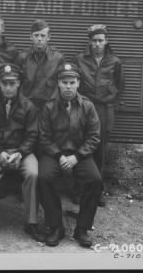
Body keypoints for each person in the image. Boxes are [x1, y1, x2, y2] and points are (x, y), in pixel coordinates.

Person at [0, 63, 44, 242]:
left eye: (12, 83)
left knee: (33, 173)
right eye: (4, 83)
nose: (8, 87)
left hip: (21, 152)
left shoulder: (29, 106)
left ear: (19, 83)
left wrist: (20, 153)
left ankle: (31, 222)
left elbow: (32, 134)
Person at [38, 63, 102, 248]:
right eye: (64, 82)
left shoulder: (87, 107)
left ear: (78, 84)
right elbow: (44, 136)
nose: (68, 86)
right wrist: (59, 156)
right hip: (55, 154)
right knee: (43, 177)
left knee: (95, 180)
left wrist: (77, 157)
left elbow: (94, 136)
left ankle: (82, 228)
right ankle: (55, 226)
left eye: (72, 82)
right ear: (58, 83)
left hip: (79, 154)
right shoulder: (49, 107)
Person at [73, 24, 123, 207]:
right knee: (80, 146)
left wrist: (109, 98)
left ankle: (96, 192)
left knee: (99, 150)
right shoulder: (80, 59)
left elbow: (119, 85)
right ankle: (78, 190)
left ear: (106, 41)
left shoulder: (114, 61)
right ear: (89, 41)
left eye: (100, 40)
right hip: (84, 107)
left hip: (103, 109)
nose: (97, 44)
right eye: (94, 40)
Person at [17, 19, 65, 110]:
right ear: (31, 37)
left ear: (49, 37)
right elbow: (17, 84)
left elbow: (61, 84)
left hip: (50, 108)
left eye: (43, 35)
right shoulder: (22, 57)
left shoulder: (58, 58)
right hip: (27, 107)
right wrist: (24, 103)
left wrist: (53, 104)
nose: (39, 39)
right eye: (36, 35)